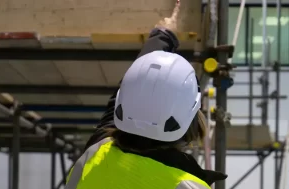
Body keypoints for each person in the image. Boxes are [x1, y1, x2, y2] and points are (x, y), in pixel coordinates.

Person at [65, 2, 227, 189]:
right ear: (190, 120)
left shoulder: (93, 159)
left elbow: (134, 91)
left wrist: (163, 35)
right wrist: (164, 35)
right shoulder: (189, 186)